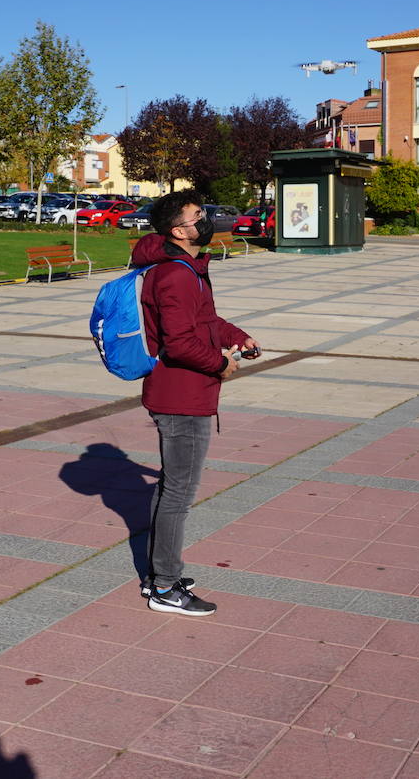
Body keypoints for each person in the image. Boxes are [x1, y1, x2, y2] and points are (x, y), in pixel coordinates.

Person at [133, 190, 258, 617]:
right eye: (197, 215)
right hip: (181, 396)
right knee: (178, 494)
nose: (205, 219)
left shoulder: (186, 268)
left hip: (184, 392)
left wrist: (235, 337)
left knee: (171, 487)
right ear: (178, 230)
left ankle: (160, 574)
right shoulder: (175, 274)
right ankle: (165, 587)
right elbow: (181, 343)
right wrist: (220, 365)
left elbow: (204, 321)